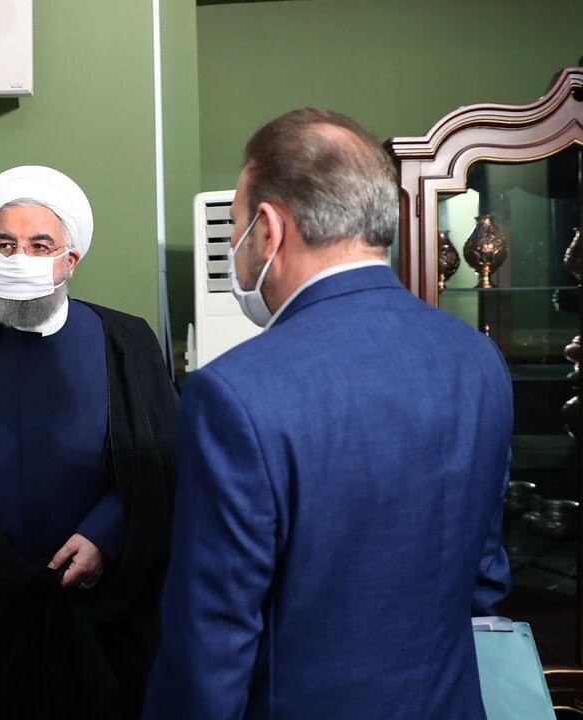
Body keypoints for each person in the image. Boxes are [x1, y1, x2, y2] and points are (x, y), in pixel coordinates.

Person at [143, 108, 512, 720]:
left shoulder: (233, 395)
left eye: (235, 228)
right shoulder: (478, 360)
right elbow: (486, 578)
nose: (236, 248)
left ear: (268, 229)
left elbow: (210, 652)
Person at [0, 165, 179, 719]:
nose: (18, 257)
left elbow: (163, 460)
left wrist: (106, 534)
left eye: (39, 245)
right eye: (5, 244)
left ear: (70, 260)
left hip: (102, 611)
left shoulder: (127, 343)